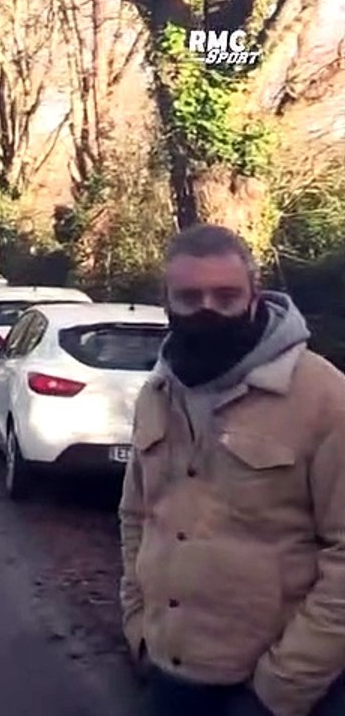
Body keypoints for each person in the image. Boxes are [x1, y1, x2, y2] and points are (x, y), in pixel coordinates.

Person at [119, 224, 345, 716]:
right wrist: (137, 627)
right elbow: (137, 515)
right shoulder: (157, 394)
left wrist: (281, 687)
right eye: (189, 297)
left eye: (226, 297)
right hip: (167, 677)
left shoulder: (324, 397)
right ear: (166, 302)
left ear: (254, 296)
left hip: (281, 693)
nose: (208, 311)